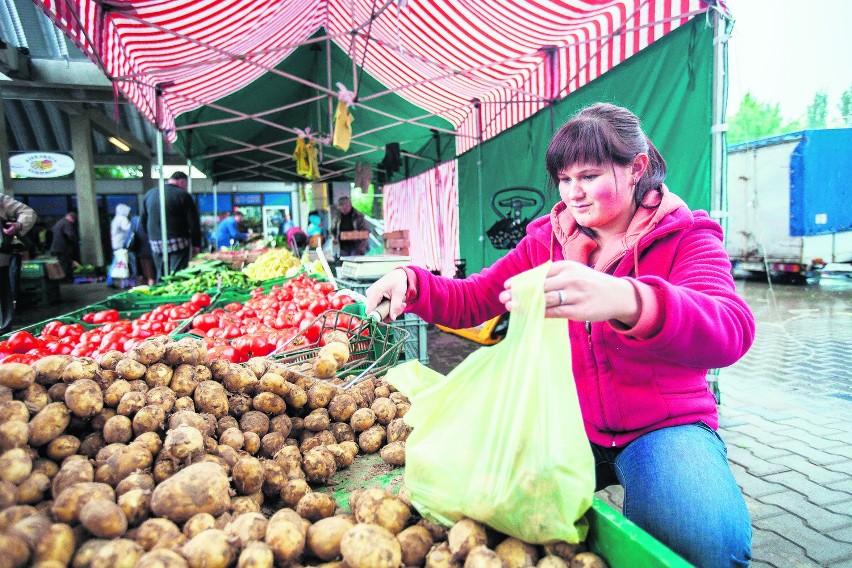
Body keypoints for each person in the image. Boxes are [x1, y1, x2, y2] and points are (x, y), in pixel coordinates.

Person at [365, 103, 755, 567]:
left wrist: (627, 300)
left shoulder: (687, 236)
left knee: (706, 544)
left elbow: (731, 328)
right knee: (476, 502)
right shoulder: (547, 241)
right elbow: (476, 297)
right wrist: (411, 283)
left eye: (589, 176)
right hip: (564, 418)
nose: (575, 194)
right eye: (565, 180)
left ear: (637, 168)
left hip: (662, 426)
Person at [140, 172, 201, 281]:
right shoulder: (183, 195)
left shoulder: (150, 194)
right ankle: (175, 293)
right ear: (182, 181)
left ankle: (160, 293)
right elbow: (194, 223)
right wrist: (196, 244)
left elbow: (143, 221)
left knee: (161, 273)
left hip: (156, 242)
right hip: (178, 241)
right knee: (177, 274)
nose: (185, 188)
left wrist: (151, 236)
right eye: (186, 185)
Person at [0, 195, 37, 333]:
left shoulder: (1, 200)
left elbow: (28, 212)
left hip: (1, 259)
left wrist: (18, 225)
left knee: (3, 295)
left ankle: (3, 331)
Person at [105, 203, 132, 288]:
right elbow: (128, 229)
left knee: (117, 263)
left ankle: (110, 281)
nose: (129, 213)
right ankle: (122, 283)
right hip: (121, 245)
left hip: (116, 244)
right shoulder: (122, 219)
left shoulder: (115, 219)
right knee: (123, 264)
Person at [50, 210, 80, 283]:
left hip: (55, 248)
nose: (73, 222)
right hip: (63, 249)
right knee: (65, 265)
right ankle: (65, 281)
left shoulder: (59, 222)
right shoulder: (67, 223)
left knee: (60, 265)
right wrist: (75, 242)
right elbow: (70, 235)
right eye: (73, 219)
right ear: (71, 218)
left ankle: (61, 280)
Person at [126, 214, 156, 287]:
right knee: (151, 276)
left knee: (143, 276)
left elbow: (129, 236)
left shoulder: (135, 221)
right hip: (152, 251)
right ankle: (151, 293)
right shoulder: (152, 219)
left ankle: (144, 292)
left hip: (139, 253)